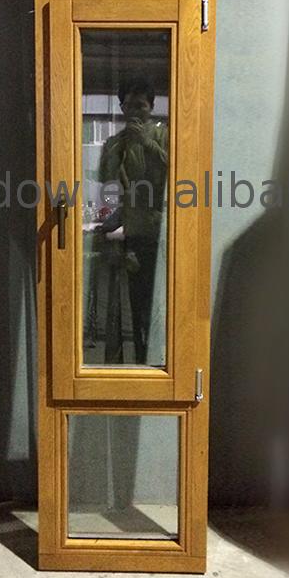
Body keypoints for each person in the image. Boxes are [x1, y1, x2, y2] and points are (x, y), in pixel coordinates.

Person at [97, 75, 168, 364]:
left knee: (153, 307)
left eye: (141, 105)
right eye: (129, 106)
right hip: (126, 234)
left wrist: (146, 144)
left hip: (156, 233)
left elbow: (176, 172)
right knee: (120, 308)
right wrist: (116, 150)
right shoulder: (115, 143)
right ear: (122, 109)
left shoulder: (164, 136)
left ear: (151, 107)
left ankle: (153, 363)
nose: (134, 112)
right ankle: (128, 366)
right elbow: (106, 183)